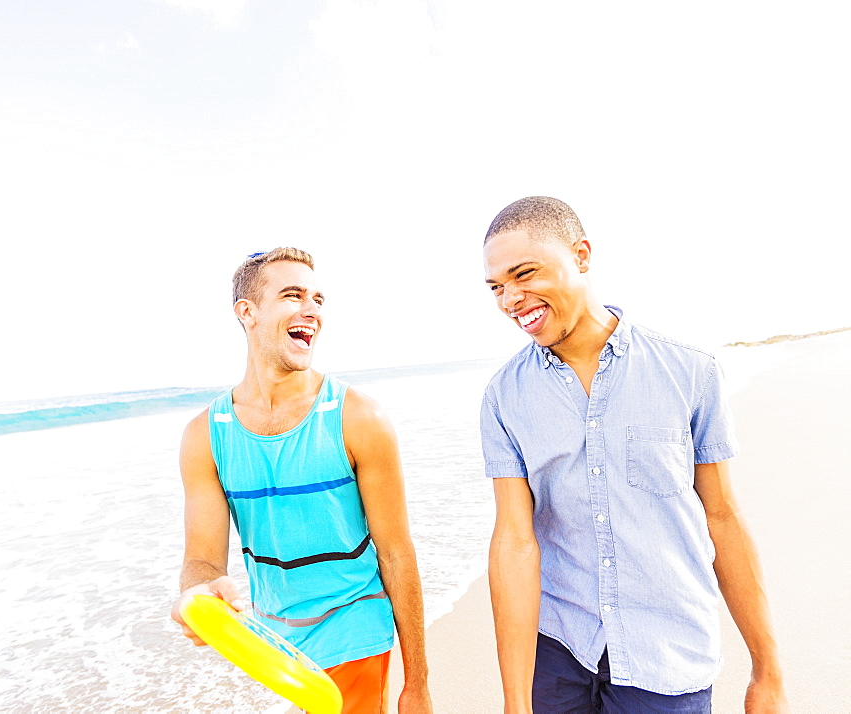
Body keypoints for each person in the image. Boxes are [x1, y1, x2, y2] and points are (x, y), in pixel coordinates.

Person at [480, 197, 788, 713]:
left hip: (666, 654)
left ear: (581, 255)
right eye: (496, 287)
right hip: (559, 650)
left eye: (524, 274)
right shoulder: (503, 396)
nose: (511, 298)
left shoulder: (690, 372)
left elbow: (722, 517)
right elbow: (514, 541)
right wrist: (515, 701)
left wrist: (768, 669)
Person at [170, 247, 432, 714]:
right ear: (246, 312)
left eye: (318, 299)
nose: (311, 310)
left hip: (355, 629)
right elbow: (203, 560)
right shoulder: (206, 436)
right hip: (275, 644)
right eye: (293, 296)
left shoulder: (357, 417)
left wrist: (417, 683)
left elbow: (395, 552)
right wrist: (196, 593)